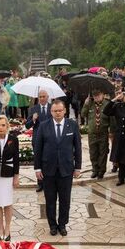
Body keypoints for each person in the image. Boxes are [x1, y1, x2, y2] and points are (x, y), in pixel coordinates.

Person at [33, 99, 82, 237]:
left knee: (65, 199)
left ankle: (62, 224)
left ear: (65, 110)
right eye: (55, 111)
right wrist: (37, 168)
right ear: (51, 111)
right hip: (48, 169)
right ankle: (52, 225)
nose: (58, 113)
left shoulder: (72, 125)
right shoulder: (44, 126)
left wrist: (77, 167)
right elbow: (38, 148)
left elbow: (77, 147)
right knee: (50, 199)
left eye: (60, 110)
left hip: (66, 169)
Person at [82, 90, 114, 179]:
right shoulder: (90, 104)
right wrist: (85, 104)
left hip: (103, 133)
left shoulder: (107, 104)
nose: (96, 97)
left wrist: (111, 131)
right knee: (93, 153)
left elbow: (111, 119)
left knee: (103, 153)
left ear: (103, 94)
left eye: (98, 95)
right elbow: (83, 114)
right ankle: (95, 169)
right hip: (92, 133)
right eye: (94, 95)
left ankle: (101, 170)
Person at [26, 90, 52, 192]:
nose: (42, 98)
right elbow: (27, 125)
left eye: (44, 96)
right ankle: (40, 183)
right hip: (37, 139)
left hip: (50, 138)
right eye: (40, 97)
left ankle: (49, 182)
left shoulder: (52, 108)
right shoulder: (34, 109)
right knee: (39, 160)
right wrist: (33, 119)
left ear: (47, 97)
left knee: (49, 160)